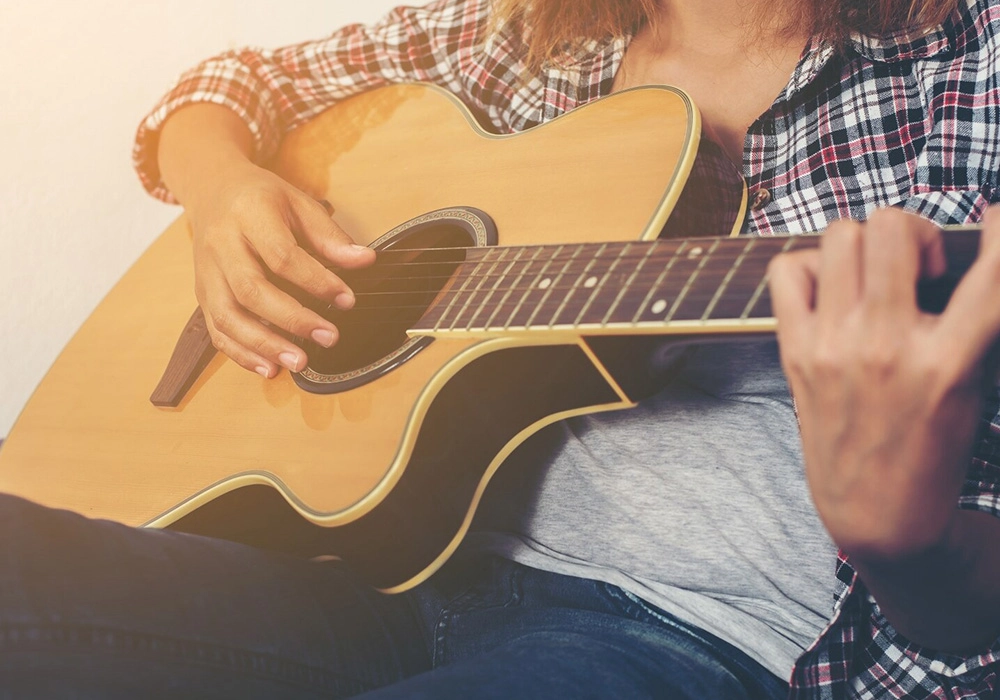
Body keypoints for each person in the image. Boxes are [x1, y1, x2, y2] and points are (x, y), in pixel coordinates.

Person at [1, 0, 999, 697]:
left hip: (673, 633)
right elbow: (229, 85)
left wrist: (908, 552)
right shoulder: (522, 44)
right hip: (380, 574)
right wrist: (222, 191)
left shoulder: (974, 64)